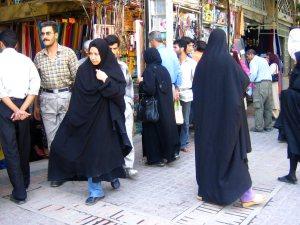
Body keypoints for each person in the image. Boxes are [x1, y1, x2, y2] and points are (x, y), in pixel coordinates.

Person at [48, 38, 132, 205]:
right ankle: (108, 179)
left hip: (106, 118)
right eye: (90, 54)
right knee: (85, 150)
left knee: (100, 151)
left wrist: (106, 80)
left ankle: (98, 188)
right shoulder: (83, 70)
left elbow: (118, 93)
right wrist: (74, 117)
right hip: (86, 117)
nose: (93, 57)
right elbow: (78, 95)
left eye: (96, 53)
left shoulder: (112, 68)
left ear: (103, 53)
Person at [193, 29, 264, 207]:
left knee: (207, 154)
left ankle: (205, 191)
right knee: (231, 152)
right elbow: (244, 81)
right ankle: (246, 196)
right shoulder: (226, 61)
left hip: (205, 121)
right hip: (226, 119)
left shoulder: (202, 63)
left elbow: (196, 90)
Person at [33, 21, 78, 188]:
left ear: (56, 35)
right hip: (46, 98)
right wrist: (36, 105)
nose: (44, 36)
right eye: (43, 34)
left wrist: (75, 103)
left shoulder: (68, 53)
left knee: (67, 135)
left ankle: (70, 169)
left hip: (67, 96)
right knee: (52, 139)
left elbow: (77, 80)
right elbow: (36, 84)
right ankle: (58, 173)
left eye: (48, 33)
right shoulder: (38, 56)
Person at [0, 30, 41, 204]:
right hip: (24, 106)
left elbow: (1, 93)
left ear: (1, 44)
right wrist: (22, 109)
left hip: (4, 107)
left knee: (10, 149)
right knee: (24, 145)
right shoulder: (26, 60)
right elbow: (35, 85)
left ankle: (19, 192)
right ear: (16, 44)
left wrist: (14, 110)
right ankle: (25, 181)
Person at [138, 48, 179, 166]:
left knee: (152, 132)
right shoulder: (164, 69)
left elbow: (149, 89)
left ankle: (156, 158)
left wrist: (141, 83)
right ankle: (168, 154)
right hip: (165, 106)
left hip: (153, 108)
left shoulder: (149, 70)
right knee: (165, 129)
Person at [104, 34, 138, 178]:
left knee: (127, 135)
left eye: (115, 48)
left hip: (123, 105)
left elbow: (129, 86)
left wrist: (129, 104)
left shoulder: (123, 66)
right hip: (108, 106)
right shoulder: (100, 67)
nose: (113, 51)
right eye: (110, 48)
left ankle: (128, 166)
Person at [277, 51, 300, 184]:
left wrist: (286, 95)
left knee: (293, 142)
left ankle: (292, 174)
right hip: (295, 117)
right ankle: (291, 174)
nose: (295, 62)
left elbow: (295, 92)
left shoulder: (298, 73)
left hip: (295, 118)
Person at [173, 39, 197, 152]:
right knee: (175, 118)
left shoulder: (191, 63)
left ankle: (183, 143)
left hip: (187, 93)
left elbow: (196, 79)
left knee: (185, 120)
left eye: (175, 47)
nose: (174, 49)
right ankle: (175, 141)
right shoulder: (174, 61)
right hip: (174, 93)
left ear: (182, 48)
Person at [148, 31, 182, 100]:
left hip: (160, 89)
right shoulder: (171, 52)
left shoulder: (155, 54)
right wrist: (176, 89)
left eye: (150, 41)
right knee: (170, 110)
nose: (150, 44)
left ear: (153, 41)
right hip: (172, 87)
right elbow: (178, 71)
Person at [246, 49, 273, 132]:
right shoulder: (264, 60)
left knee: (259, 106)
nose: (247, 59)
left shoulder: (253, 61)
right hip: (269, 84)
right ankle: (268, 126)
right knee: (268, 107)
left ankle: (259, 127)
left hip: (260, 84)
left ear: (251, 54)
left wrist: (248, 82)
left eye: (247, 57)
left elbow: (253, 74)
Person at [266, 52, 281, 119]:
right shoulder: (275, 64)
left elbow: (268, 73)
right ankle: (275, 113)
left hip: (273, 83)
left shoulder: (273, 65)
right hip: (274, 83)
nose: (267, 59)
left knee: (274, 98)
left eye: (268, 57)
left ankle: (275, 114)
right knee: (274, 97)